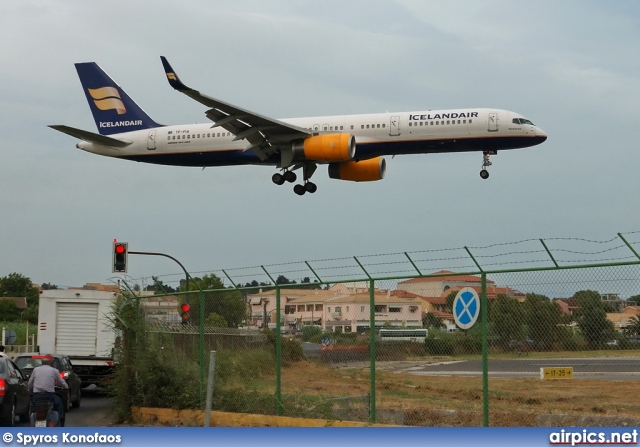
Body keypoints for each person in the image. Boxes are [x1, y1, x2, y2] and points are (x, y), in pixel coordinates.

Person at [28, 354, 68, 425]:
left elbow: (30, 384)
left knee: (32, 407)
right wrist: (65, 387)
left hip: (37, 396)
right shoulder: (54, 371)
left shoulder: (36, 370)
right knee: (59, 403)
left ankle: (31, 421)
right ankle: (60, 421)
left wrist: (31, 390)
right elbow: (62, 382)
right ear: (52, 363)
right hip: (49, 396)